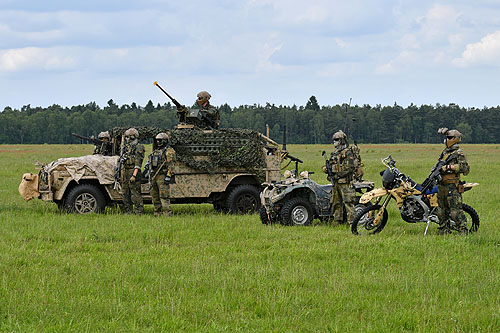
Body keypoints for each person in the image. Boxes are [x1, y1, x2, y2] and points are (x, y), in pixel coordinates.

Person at [435, 128, 470, 234]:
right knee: (441, 211)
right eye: (447, 137)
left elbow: (465, 169)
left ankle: (462, 230)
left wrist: (449, 167)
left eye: (450, 137)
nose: (447, 139)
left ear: (456, 139)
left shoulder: (459, 153)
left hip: (452, 186)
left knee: (455, 211)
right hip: (442, 185)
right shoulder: (444, 153)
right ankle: (444, 230)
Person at [322, 130, 358, 225]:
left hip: (345, 182)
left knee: (348, 202)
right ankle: (337, 220)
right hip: (336, 182)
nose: (335, 142)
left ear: (342, 140)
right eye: (334, 140)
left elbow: (350, 167)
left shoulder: (348, 153)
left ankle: (352, 222)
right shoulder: (334, 153)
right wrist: (326, 169)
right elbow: (330, 164)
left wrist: (337, 173)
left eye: (337, 140)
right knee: (336, 202)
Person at [147, 132, 176, 217]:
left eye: (160, 140)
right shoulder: (156, 151)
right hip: (154, 176)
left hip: (162, 176)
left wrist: (168, 176)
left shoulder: (169, 151)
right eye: (157, 140)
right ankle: (157, 214)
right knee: (154, 196)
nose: (158, 142)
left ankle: (167, 214)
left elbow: (171, 165)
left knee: (164, 197)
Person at [120, 128, 145, 215]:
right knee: (125, 193)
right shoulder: (128, 148)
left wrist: (134, 176)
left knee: (135, 193)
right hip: (126, 171)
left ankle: (139, 211)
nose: (127, 139)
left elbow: (138, 163)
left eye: (128, 137)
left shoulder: (139, 147)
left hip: (133, 171)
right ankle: (128, 211)